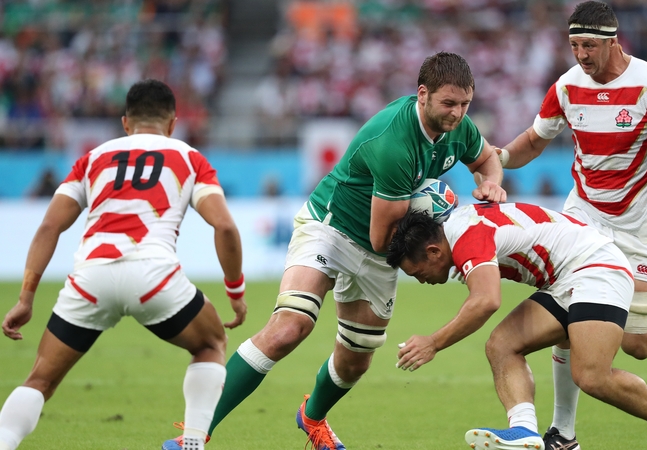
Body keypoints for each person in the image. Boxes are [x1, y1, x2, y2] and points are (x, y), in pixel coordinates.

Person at [163, 51, 507, 450]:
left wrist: (491, 184)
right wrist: (430, 212)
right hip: (333, 228)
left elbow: (487, 160)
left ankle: (311, 418)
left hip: (380, 253)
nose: (457, 113)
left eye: (465, 104)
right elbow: (383, 240)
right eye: (449, 104)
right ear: (422, 94)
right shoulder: (394, 143)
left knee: (355, 360)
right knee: (289, 328)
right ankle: (194, 435)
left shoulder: (459, 127)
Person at [494, 2, 647, 447]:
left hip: (641, 232)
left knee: (640, 345)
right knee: (574, 316)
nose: (581, 55)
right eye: (574, 45)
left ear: (613, 41)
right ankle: (564, 432)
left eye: (589, 45)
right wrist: (494, 159)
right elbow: (534, 140)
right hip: (584, 223)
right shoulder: (567, 87)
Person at [0, 79, 247, 450]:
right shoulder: (189, 157)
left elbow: (50, 225)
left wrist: (25, 297)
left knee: (39, 380)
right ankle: (193, 442)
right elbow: (225, 225)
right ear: (174, 123)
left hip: (90, 279)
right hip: (154, 277)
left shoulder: (93, 158)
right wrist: (235, 291)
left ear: (125, 123)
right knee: (211, 343)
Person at [388, 204, 647, 450]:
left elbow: (486, 301)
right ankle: (524, 431)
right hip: (564, 278)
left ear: (433, 252)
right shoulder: (460, 229)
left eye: (418, 273)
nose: (422, 280)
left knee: (592, 375)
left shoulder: (468, 237)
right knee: (501, 345)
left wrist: (433, 342)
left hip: (595, 266)